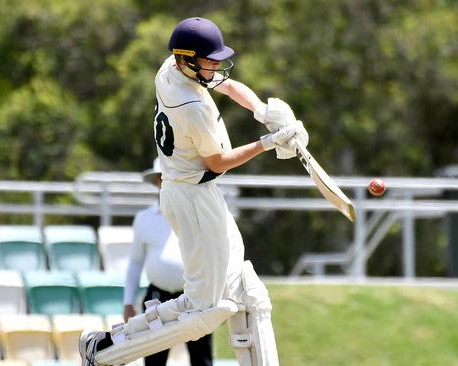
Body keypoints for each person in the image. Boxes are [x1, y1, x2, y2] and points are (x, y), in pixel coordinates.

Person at [80, 16, 308, 366]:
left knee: (249, 292)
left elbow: (230, 87)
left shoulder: (170, 69)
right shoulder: (191, 106)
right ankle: (107, 350)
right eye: (209, 60)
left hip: (193, 193)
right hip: (193, 198)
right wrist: (268, 142)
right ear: (187, 59)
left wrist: (264, 112)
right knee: (206, 312)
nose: (216, 65)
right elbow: (217, 162)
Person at [123, 158, 213, 366]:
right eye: (162, 178)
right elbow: (135, 262)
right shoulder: (145, 218)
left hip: (194, 296)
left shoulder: (199, 213)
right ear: (157, 182)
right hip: (157, 297)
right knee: (154, 359)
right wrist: (128, 302)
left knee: (201, 358)